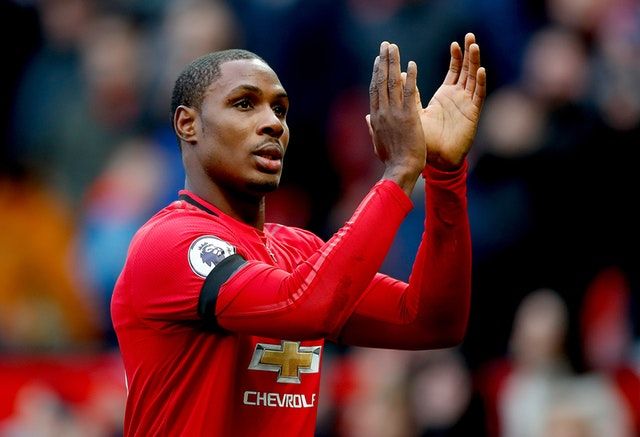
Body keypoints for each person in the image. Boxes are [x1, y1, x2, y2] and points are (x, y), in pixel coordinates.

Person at [111, 34, 486, 436]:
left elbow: (432, 322)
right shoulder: (169, 242)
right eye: (244, 104)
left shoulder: (298, 250)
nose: (273, 123)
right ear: (188, 124)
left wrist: (445, 176)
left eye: (280, 109)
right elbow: (301, 306)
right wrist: (400, 171)